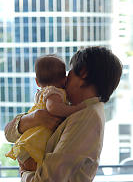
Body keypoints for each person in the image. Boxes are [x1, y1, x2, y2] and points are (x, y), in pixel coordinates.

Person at [4, 46, 122, 182]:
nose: (64, 78)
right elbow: (8, 133)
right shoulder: (69, 106)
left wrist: (24, 173)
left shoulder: (85, 116)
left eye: (68, 72)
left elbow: (48, 180)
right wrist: (35, 117)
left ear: (83, 73)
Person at [5, 55, 85, 167]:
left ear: (37, 82)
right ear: (64, 79)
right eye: (67, 75)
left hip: (30, 142)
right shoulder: (54, 93)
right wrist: (75, 109)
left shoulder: (44, 93)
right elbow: (53, 107)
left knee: (30, 171)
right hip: (34, 144)